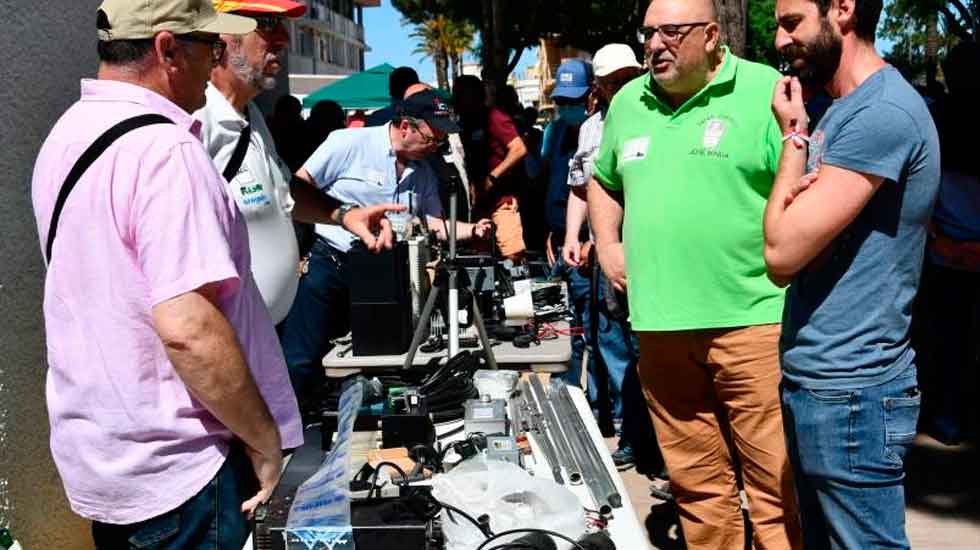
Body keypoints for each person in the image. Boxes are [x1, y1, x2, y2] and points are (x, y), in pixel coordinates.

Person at [30, 2, 299, 548]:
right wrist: (265, 441)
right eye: (209, 46)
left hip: (108, 458)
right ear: (167, 49)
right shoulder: (167, 148)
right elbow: (188, 329)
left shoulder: (67, 133)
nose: (215, 60)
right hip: (182, 466)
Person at [589, 0, 803, 547]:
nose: (654, 45)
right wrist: (607, 244)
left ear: (711, 36)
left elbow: (802, 185)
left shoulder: (764, 91)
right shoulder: (628, 102)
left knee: (774, 488)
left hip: (751, 321)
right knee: (696, 486)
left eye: (670, 33)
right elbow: (604, 179)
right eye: (648, 34)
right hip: (659, 324)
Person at [765, 0, 941, 547]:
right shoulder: (845, 109)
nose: (777, 40)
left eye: (790, 22)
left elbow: (782, 251)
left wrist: (794, 138)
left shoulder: (880, 114)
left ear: (842, 9)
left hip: (852, 392)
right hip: (826, 384)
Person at [196, 0, 403, 327]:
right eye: (266, 24)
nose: (284, 39)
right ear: (221, 37)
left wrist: (344, 214)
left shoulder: (250, 116)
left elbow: (284, 190)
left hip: (261, 335)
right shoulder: (195, 120)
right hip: (224, 342)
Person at [278, 89, 492, 401]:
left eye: (442, 140)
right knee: (301, 357)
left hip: (383, 275)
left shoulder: (424, 172)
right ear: (406, 126)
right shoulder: (348, 143)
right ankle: (287, 430)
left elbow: (436, 224)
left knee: (371, 361)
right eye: (433, 137)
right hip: (329, 263)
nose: (437, 146)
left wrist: (474, 230)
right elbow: (296, 191)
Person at [561, 44, 663, 475]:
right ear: (599, 87)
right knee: (615, 346)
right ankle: (633, 438)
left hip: (650, 253)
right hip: (607, 256)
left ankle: (661, 448)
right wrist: (574, 235)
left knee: (651, 351)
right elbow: (583, 187)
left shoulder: (658, 115)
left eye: (626, 78)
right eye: (611, 81)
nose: (619, 87)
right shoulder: (589, 130)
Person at [916, 40, 980, 446]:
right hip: (949, 249)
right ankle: (951, 415)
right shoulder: (936, 120)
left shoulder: (935, 122)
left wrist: (938, 239)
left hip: (946, 250)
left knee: (947, 340)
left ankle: (948, 416)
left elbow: (921, 190)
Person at [453, 75, 529, 261]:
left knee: (512, 254)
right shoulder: (464, 123)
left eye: (463, 95)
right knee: (481, 258)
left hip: (502, 201)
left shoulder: (495, 118)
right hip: (480, 204)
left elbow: (519, 149)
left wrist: (492, 177)